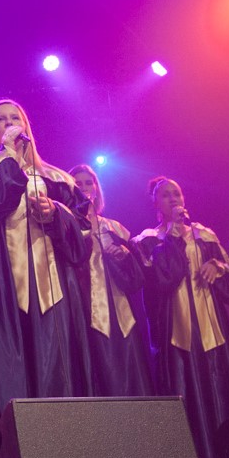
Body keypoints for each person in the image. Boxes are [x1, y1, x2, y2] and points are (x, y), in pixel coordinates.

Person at [0, 99, 91, 434]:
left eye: (15, 118)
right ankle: (16, 456)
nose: (9, 123)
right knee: (10, 374)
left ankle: (65, 451)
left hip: (54, 290)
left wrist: (56, 214)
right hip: (3, 290)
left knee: (56, 369)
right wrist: (7, 156)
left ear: (27, 128)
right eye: (0, 120)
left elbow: (84, 239)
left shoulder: (58, 180)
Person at [134, 177, 229, 458]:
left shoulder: (205, 235)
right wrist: (173, 234)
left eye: (177, 193)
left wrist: (218, 267)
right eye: (165, 195)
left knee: (220, 390)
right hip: (176, 329)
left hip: (212, 328)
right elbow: (162, 280)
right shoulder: (148, 239)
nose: (173, 199)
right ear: (155, 204)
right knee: (188, 393)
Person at [69, 164, 152, 397]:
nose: (84, 187)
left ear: (96, 188)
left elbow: (137, 279)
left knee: (128, 364)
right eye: (78, 183)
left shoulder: (115, 228)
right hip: (84, 307)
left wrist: (123, 255)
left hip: (119, 307)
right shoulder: (66, 226)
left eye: (89, 182)